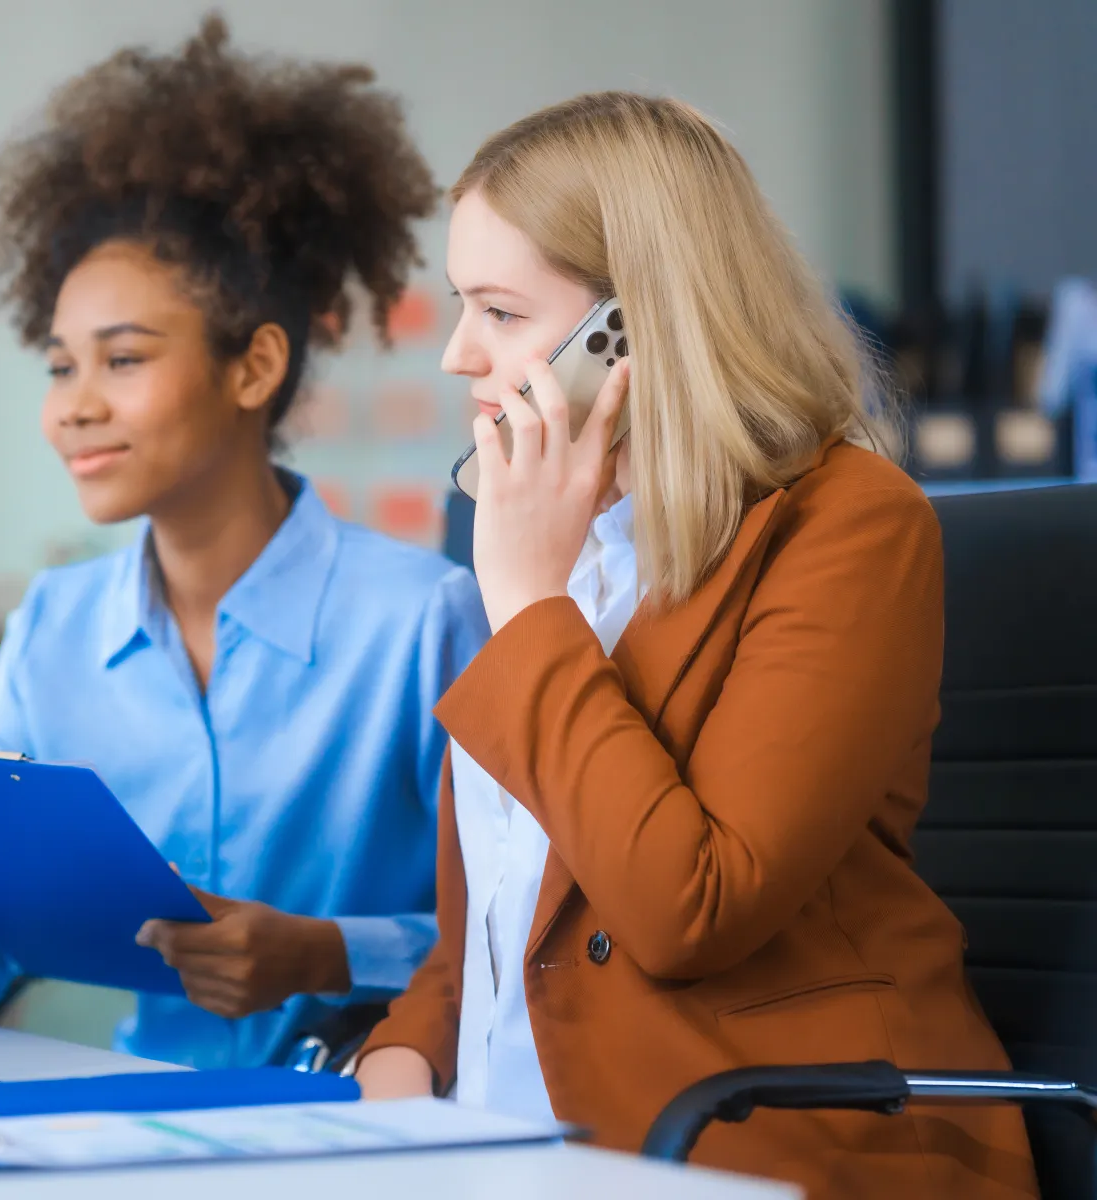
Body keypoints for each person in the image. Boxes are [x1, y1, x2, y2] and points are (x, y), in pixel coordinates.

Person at [0, 18, 488, 1070]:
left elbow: (522, 928)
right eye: (58, 367)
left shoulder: (420, 619)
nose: (74, 408)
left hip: (380, 1121)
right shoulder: (55, 628)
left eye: (120, 360)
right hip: (132, 1121)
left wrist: (324, 954)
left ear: (254, 368)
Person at [352, 93, 1035, 1198]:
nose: (458, 354)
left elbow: (689, 907)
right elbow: (497, 923)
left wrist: (529, 605)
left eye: (499, 310)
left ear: (635, 325)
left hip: (747, 1146)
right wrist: (399, 1057)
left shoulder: (846, 523)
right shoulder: (551, 542)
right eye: (458, 305)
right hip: (498, 1151)